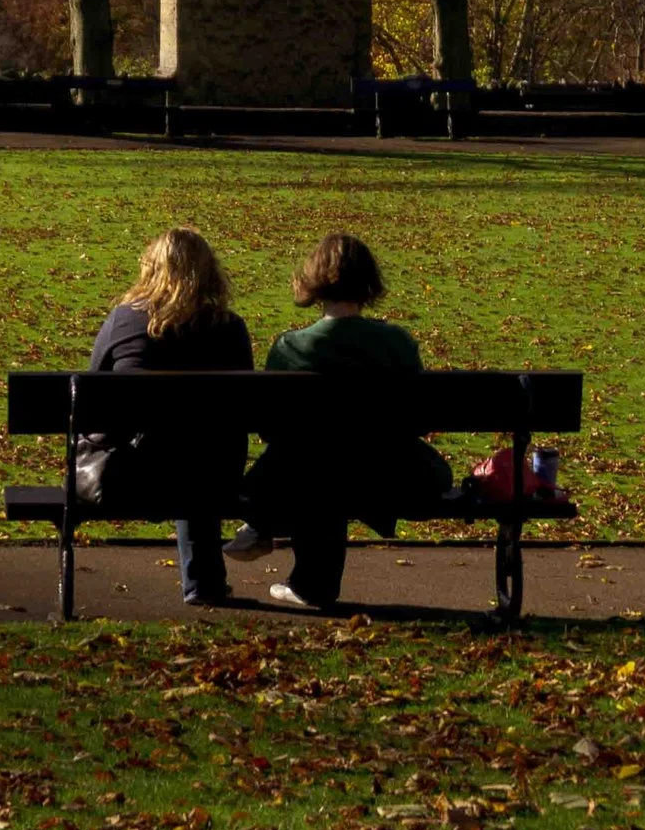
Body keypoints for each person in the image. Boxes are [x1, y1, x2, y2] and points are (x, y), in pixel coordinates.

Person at [234, 233, 447, 612]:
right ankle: (308, 581)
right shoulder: (395, 342)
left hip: (307, 474)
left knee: (312, 466)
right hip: (386, 471)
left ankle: (306, 578)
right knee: (332, 466)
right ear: (368, 282)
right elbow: (418, 418)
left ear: (315, 283)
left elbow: (269, 427)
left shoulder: (290, 347)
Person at [76, 229, 253, 606]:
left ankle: (203, 584)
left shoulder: (124, 320)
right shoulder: (230, 328)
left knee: (175, 448)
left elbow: (92, 401)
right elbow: (243, 412)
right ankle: (203, 584)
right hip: (213, 479)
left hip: (130, 478)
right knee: (197, 451)